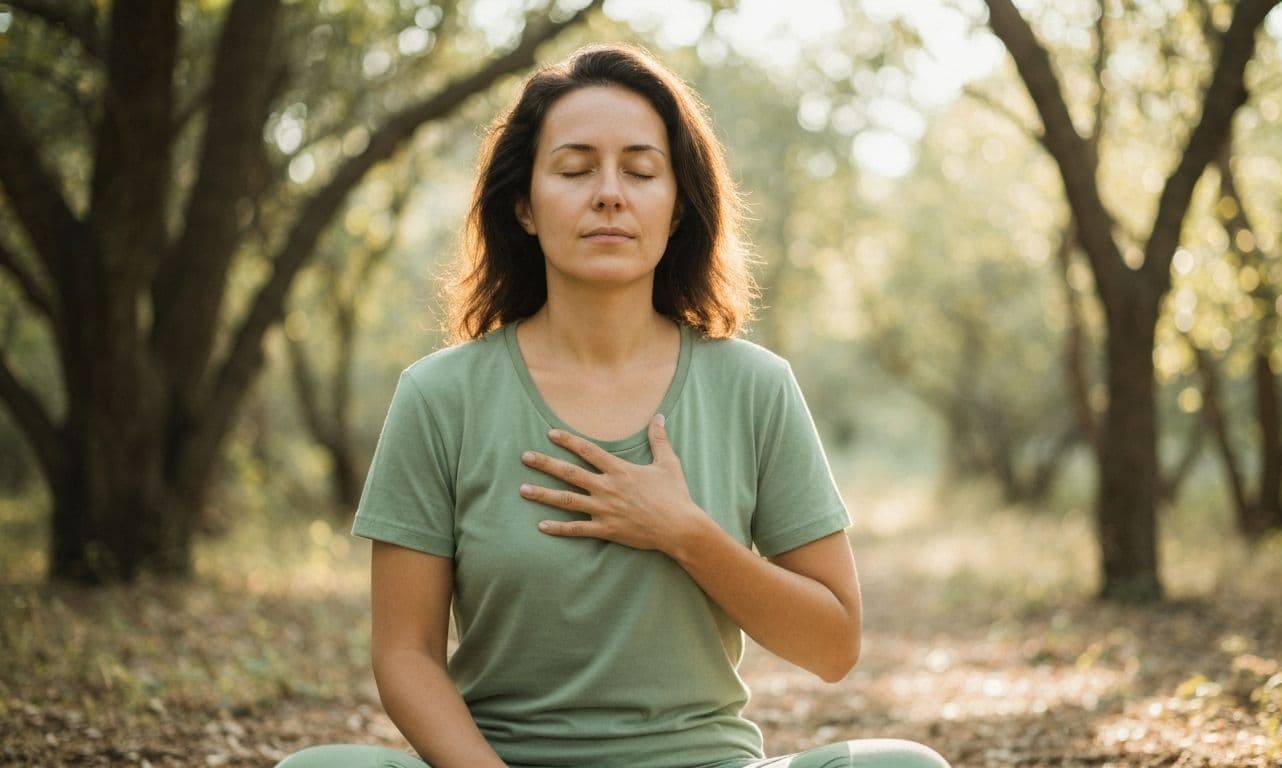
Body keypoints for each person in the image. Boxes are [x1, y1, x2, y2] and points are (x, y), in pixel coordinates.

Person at [277, 43, 950, 768]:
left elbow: (834, 645)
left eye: (640, 171)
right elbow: (405, 655)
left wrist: (685, 533)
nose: (608, 194)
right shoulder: (439, 397)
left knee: (905, 767)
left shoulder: (755, 386)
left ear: (678, 206)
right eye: (574, 170)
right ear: (524, 205)